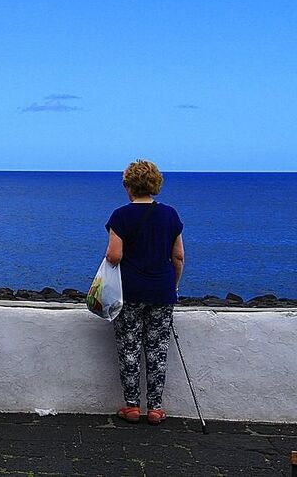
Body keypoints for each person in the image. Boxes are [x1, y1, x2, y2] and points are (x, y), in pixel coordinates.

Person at [105, 159, 185, 425]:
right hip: (161, 290)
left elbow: (114, 256)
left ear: (129, 186)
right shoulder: (170, 215)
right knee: (157, 349)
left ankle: (131, 407)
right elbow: (178, 257)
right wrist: (173, 286)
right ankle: (155, 408)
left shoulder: (121, 216)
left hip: (130, 291)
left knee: (129, 348)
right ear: (155, 184)